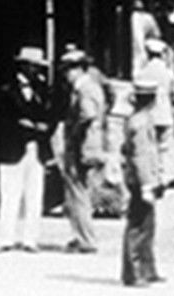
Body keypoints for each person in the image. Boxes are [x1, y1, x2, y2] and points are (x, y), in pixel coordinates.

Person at [0, 47, 54, 253]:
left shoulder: (43, 91)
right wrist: (21, 125)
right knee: (10, 195)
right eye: (33, 67)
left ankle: (30, 239)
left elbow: (50, 116)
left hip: (36, 148)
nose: (37, 71)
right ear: (24, 66)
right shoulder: (6, 91)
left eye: (38, 67)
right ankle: (5, 238)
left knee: (35, 195)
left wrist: (45, 128)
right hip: (13, 148)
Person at [56, 47, 106, 254]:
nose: (66, 74)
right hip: (90, 145)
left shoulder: (84, 89)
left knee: (77, 194)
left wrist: (74, 134)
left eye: (69, 69)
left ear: (79, 69)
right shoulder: (93, 87)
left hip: (81, 147)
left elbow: (87, 114)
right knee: (80, 193)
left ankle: (85, 239)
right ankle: (82, 236)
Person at [121, 78, 163, 287]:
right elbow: (140, 156)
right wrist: (147, 184)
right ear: (152, 99)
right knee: (138, 226)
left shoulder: (141, 118)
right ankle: (134, 272)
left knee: (148, 225)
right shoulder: (140, 122)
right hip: (140, 179)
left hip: (145, 177)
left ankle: (148, 269)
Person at [136, 38, 174, 187]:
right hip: (164, 115)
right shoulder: (168, 73)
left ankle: (151, 177)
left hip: (148, 116)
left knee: (149, 147)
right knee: (164, 148)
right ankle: (163, 177)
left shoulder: (142, 73)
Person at [129, 0, 161, 78]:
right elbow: (157, 33)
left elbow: (156, 33)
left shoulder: (139, 17)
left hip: (141, 47)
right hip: (142, 47)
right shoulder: (147, 17)